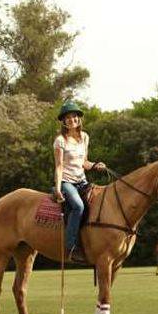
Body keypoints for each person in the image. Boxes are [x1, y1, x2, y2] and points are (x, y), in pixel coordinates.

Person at [53, 100, 106, 262]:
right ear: (63, 121)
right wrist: (57, 188)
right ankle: (71, 246)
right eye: (68, 117)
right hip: (67, 182)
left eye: (74, 116)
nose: (72, 120)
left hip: (82, 181)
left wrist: (96, 165)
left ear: (79, 119)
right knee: (78, 206)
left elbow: (84, 162)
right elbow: (59, 166)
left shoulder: (84, 137)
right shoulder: (60, 140)